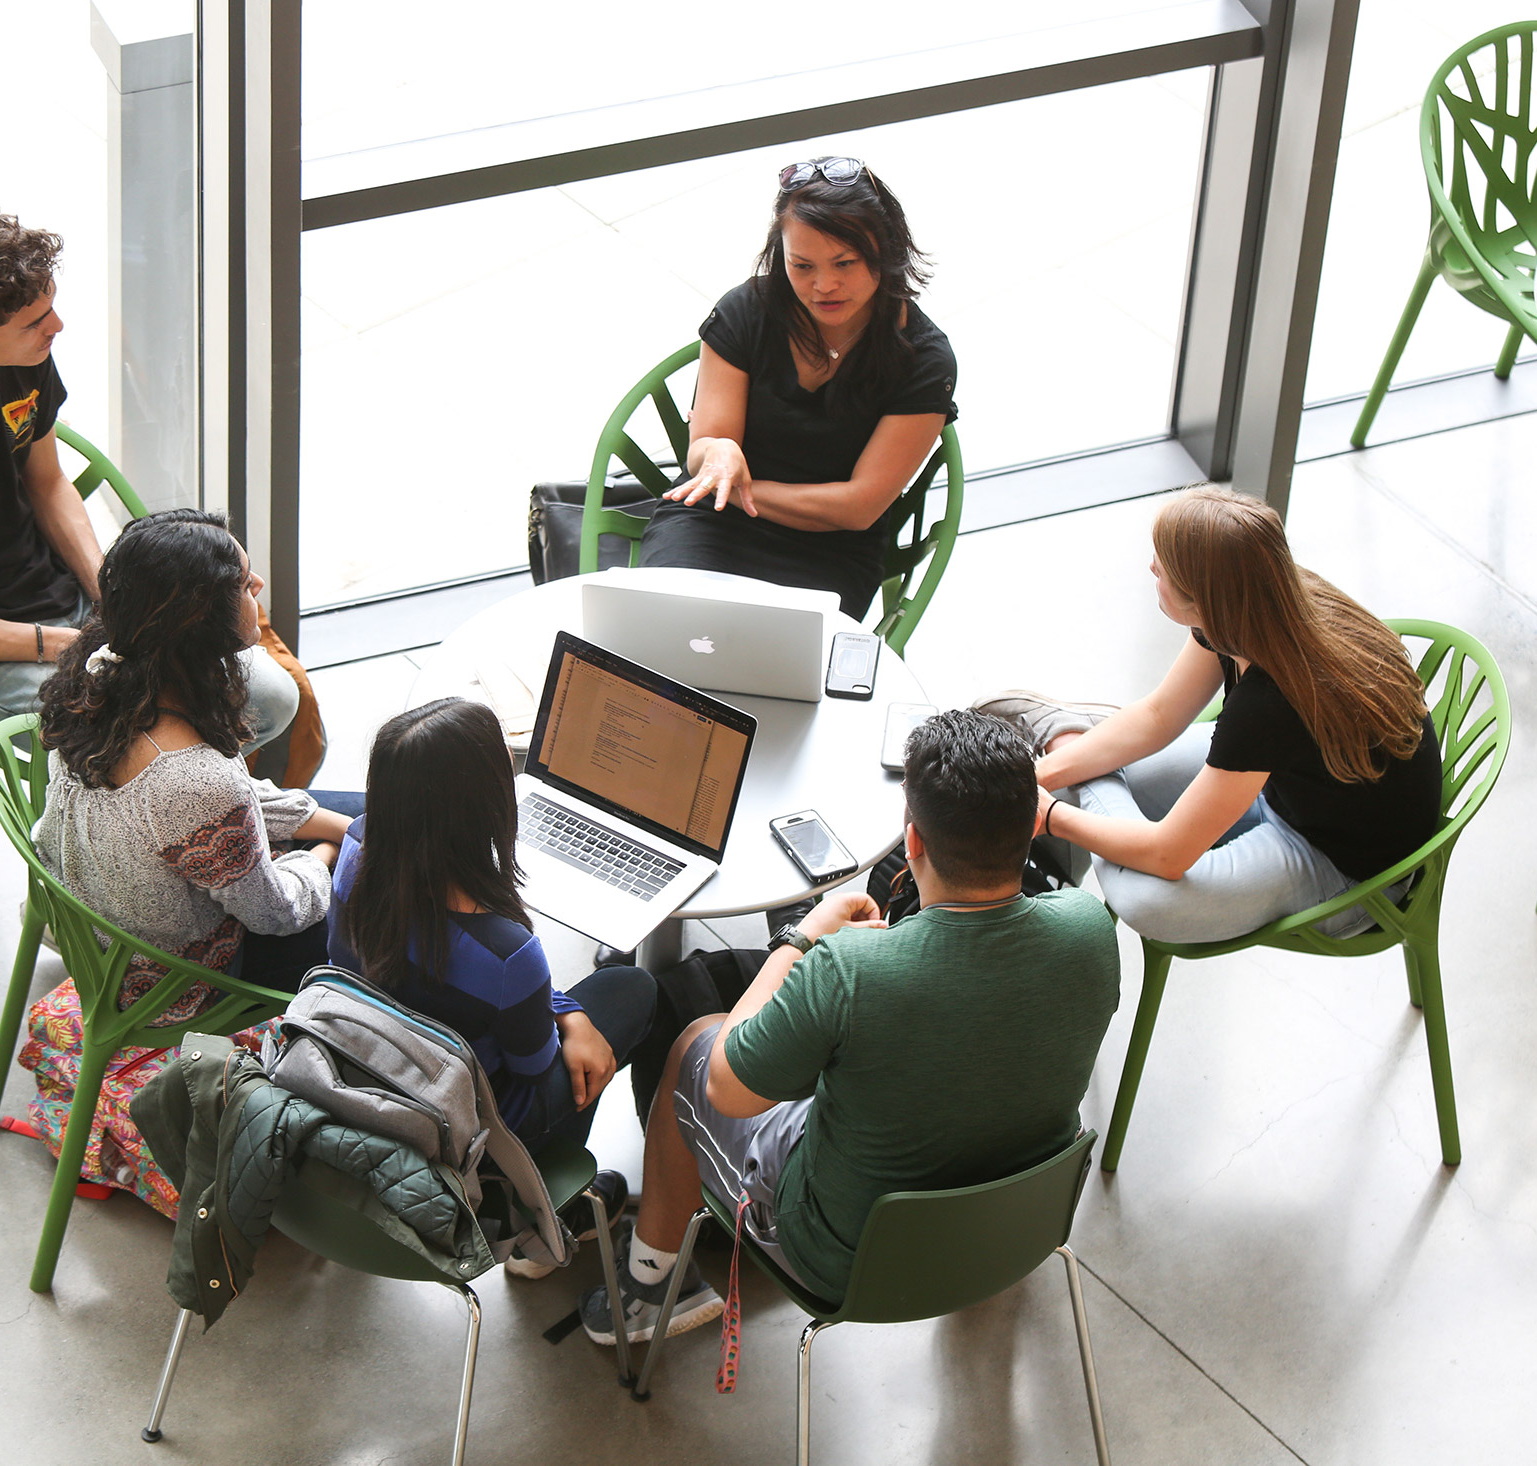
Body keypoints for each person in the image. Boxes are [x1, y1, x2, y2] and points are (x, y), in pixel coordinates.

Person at [579, 709, 1120, 1347]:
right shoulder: (1090, 927)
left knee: (695, 1043)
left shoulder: (849, 970)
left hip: (845, 1256)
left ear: (912, 842)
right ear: (1032, 826)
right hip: (1014, 1229)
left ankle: (646, 1288)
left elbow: (728, 1088)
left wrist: (801, 939)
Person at [0, 200, 297, 749]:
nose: (56, 326)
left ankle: (194, 821)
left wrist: (113, 593)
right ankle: (161, 825)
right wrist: (58, 644)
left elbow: (48, 483)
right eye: (35, 322)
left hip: (56, 598)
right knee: (159, 740)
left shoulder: (17, 350)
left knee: (269, 697)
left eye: (49, 307)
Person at [9, 509, 358, 1216]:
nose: (256, 582)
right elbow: (276, 909)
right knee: (377, 895)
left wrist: (333, 821)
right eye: (241, 578)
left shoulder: (103, 674)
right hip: (186, 979)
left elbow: (231, 805)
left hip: (110, 935)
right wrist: (332, 852)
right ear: (198, 617)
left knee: (354, 808)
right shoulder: (193, 779)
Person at [987, 484, 1440, 946]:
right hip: (1286, 779)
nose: (1151, 566)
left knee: (1146, 897)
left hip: (1349, 868)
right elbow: (1159, 715)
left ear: (1202, 601)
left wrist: (1053, 815)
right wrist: (1039, 777)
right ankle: (1069, 744)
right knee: (1079, 775)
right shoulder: (1259, 598)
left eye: (1163, 566)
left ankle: (1069, 738)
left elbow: (1169, 856)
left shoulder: (1267, 701)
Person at [325, 699, 659, 1273]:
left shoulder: (355, 853)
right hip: (475, 1122)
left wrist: (561, 1005)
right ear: (483, 807)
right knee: (632, 989)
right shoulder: (507, 953)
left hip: (379, 1074)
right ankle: (537, 1210)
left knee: (582, 1012)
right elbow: (533, 1069)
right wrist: (572, 1016)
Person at [636, 156, 957, 619]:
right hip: (710, 523)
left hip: (828, 549)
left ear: (884, 252)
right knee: (663, 637)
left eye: (845, 262)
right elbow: (704, 451)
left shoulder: (923, 359)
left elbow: (858, 508)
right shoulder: (747, 312)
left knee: (770, 673)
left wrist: (739, 489)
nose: (824, 285)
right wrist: (717, 454)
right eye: (802, 265)